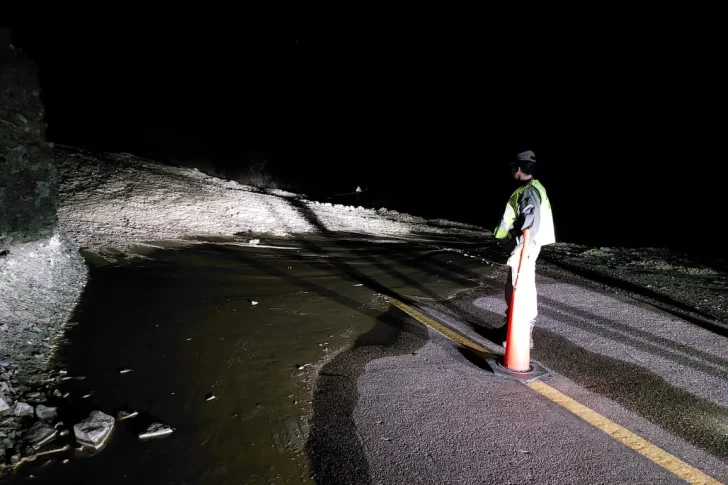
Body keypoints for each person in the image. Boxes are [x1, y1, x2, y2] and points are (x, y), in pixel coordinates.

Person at [493, 150, 555, 349]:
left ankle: (524, 336)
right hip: (524, 246)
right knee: (513, 288)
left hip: (526, 247)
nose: (512, 170)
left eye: (513, 167)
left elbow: (531, 224)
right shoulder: (527, 188)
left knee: (523, 289)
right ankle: (510, 328)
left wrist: (521, 248)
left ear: (520, 169)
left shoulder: (528, 191)